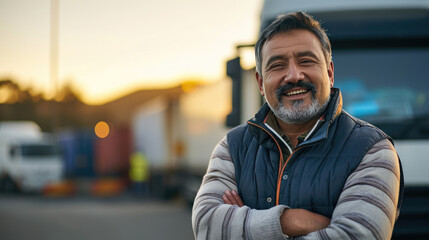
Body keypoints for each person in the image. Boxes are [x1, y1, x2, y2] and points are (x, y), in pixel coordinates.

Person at [192, 11, 404, 240]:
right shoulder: (233, 147)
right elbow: (206, 225)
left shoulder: (371, 149)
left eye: (306, 61)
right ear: (261, 83)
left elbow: (358, 236)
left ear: (330, 73)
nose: (293, 75)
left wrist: (245, 225)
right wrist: (293, 221)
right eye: (277, 65)